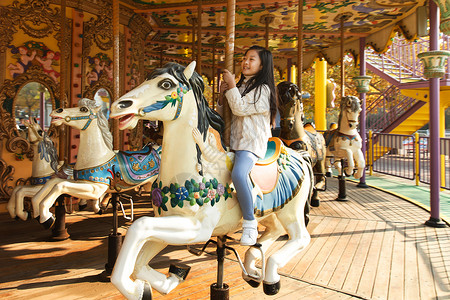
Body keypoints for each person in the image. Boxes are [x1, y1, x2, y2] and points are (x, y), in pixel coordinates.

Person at [221, 45, 277, 246]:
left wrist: (231, 86)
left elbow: (240, 109)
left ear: (262, 65)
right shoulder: (243, 87)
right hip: (234, 141)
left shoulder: (263, 90)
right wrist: (223, 93)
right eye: (245, 58)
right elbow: (225, 112)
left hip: (251, 144)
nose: (245, 61)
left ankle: (250, 223)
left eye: (252, 59)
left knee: (238, 174)